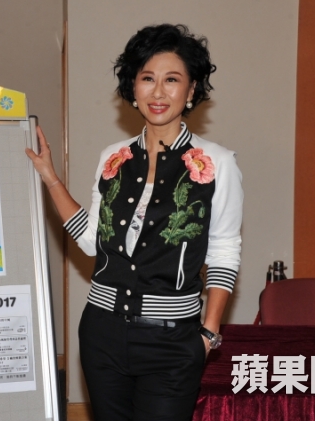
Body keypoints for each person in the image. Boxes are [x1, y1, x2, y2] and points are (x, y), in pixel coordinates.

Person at [26, 23, 243, 421]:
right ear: (133, 87)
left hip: (173, 339)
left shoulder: (217, 163)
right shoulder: (114, 157)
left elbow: (224, 251)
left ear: (191, 90)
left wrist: (209, 333)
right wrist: (51, 178)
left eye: (171, 79)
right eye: (147, 78)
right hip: (102, 332)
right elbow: (91, 241)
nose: (158, 92)